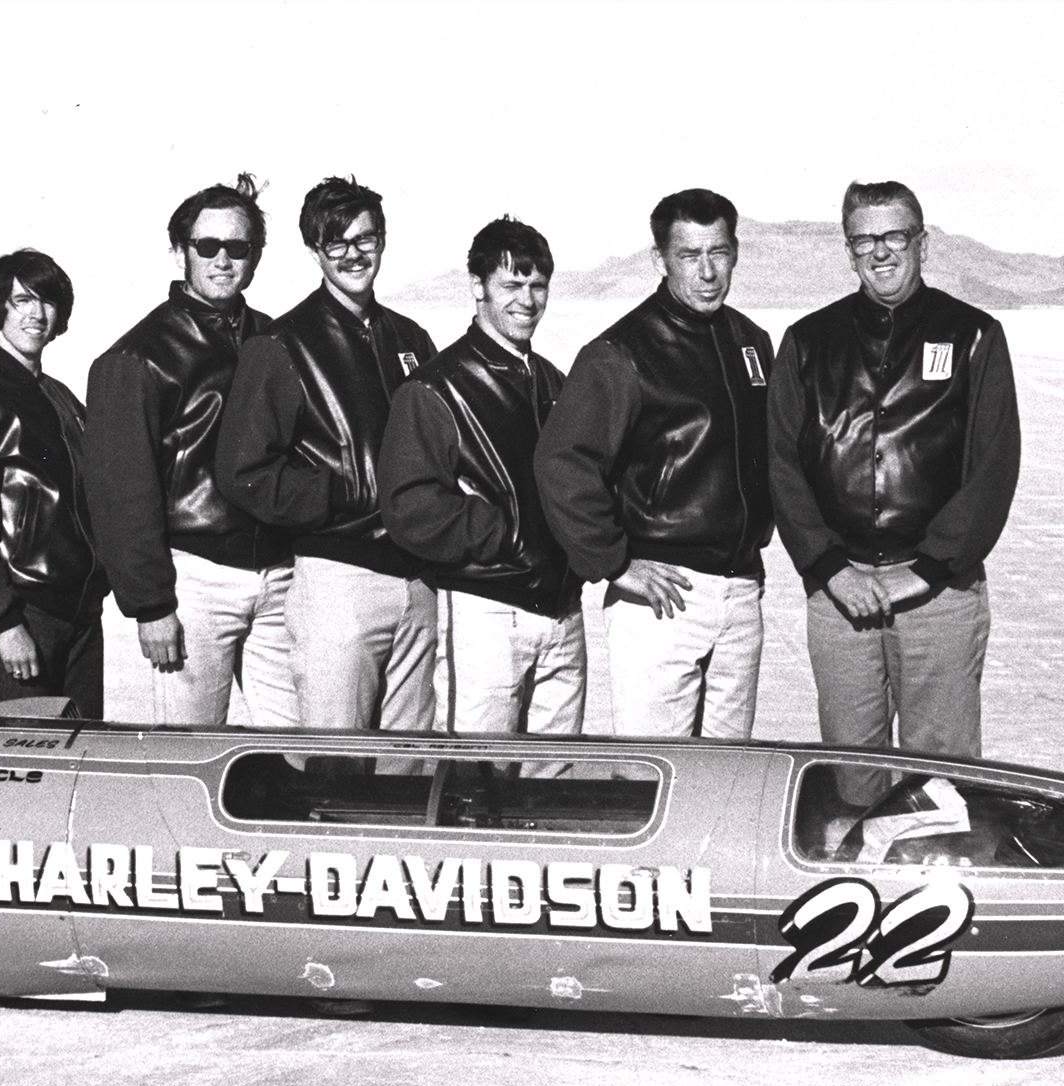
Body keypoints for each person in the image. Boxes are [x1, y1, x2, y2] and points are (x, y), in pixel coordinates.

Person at [768, 180, 1020, 797]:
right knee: (851, 776)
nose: (880, 252)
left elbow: (994, 463)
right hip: (841, 596)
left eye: (894, 236)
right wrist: (829, 565)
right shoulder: (807, 341)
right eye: (864, 240)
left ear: (922, 243)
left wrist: (930, 567)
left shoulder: (973, 335)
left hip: (938, 595)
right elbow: (780, 463)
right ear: (849, 250)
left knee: (945, 782)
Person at [536, 188, 773, 739]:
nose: (708, 271)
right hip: (663, 596)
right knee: (657, 776)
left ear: (736, 252)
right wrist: (614, 563)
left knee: (726, 780)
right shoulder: (621, 354)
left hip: (740, 594)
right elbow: (563, 463)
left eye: (719, 252)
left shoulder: (751, 343)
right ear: (659, 260)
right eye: (690, 256)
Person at [217, 176, 438, 731]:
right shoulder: (282, 345)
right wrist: (341, 494)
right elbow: (243, 473)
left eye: (365, 239)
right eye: (335, 243)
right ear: (315, 249)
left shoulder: (411, 339)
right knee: (336, 759)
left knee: (407, 761)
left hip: (417, 581)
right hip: (337, 581)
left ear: (383, 242)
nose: (352, 255)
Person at [83, 175, 295, 727]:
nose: (223, 260)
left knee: (299, 746)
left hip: (281, 577)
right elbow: (120, 493)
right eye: (207, 246)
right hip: (195, 582)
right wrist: (151, 605)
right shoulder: (136, 358)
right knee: (188, 748)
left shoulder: (277, 343)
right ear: (181, 251)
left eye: (238, 247)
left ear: (256, 256)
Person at [379, 217, 584, 735]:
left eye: (538, 286)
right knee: (475, 780)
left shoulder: (553, 382)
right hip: (486, 614)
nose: (527, 300)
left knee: (551, 782)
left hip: (562, 614)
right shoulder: (434, 390)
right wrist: (503, 535)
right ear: (478, 287)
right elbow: (410, 509)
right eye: (511, 284)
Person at [0, 250, 108, 717]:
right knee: (28, 768)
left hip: (82, 614)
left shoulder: (61, 398)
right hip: (26, 618)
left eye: (48, 302)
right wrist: (5, 623)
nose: (37, 314)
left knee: (82, 762)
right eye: (23, 300)